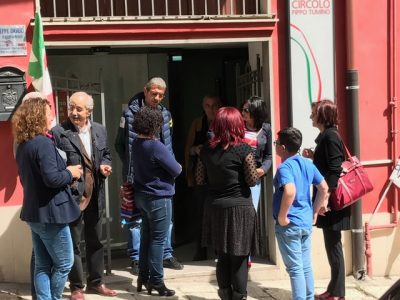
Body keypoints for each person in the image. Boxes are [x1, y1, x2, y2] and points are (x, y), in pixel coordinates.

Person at [12, 96, 82, 300]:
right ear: (37, 117)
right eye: (48, 114)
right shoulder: (42, 143)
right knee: (64, 264)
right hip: (52, 214)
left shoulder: (24, 144)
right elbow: (52, 178)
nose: (51, 117)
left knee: (43, 264)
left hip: (35, 213)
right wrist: (71, 173)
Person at [115, 77, 183, 275]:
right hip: (136, 175)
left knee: (166, 219)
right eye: (154, 93)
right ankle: (136, 258)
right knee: (135, 219)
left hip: (162, 178)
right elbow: (119, 144)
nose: (157, 98)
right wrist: (133, 163)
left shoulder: (166, 114)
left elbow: (167, 143)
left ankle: (167, 254)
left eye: (161, 95)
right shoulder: (129, 114)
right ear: (145, 91)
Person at [52, 91, 115, 300]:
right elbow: (56, 165)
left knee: (96, 240)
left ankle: (96, 283)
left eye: (79, 109)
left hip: (95, 194)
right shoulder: (59, 132)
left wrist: (106, 165)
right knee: (74, 242)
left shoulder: (99, 130)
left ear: (89, 111)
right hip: (72, 197)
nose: (74, 112)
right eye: (71, 107)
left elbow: (105, 154)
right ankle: (77, 286)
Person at [195, 107, 259, 300]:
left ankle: (225, 295)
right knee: (239, 258)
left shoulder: (206, 150)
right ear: (237, 125)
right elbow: (252, 180)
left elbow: (199, 179)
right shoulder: (243, 149)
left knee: (222, 256)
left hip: (216, 207)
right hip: (240, 208)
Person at [273, 127, 329, 300]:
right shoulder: (307, 163)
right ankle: (309, 297)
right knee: (305, 266)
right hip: (305, 223)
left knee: (295, 269)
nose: (274, 146)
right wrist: (314, 213)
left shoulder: (285, 167)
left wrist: (282, 217)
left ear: (282, 147)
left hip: (289, 225)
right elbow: (324, 188)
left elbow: (289, 191)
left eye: (276, 143)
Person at [132, 106, 182, 297]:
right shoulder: (156, 146)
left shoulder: (136, 144)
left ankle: (143, 277)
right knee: (158, 240)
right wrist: (178, 166)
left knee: (146, 236)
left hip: (142, 196)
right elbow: (176, 170)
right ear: (155, 125)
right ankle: (157, 281)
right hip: (159, 198)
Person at [303, 100, 348, 300]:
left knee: (334, 245)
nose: (311, 116)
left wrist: (325, 199)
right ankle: (333, 289)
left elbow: (335, 169)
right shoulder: (325, 136)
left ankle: (338, 293)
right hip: (328, 199)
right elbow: (328, 164)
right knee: (331, 244)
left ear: (322, 115)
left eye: (314, 113)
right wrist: (314, 157)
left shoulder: (330, 136)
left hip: (333, 201)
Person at [184, 95, 221, 261]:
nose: (211, 109)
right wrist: (196, 150)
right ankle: (200, 250)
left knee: (220, 215)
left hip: (220, 176)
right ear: (203, 106)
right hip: (201, 176)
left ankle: (221, 250)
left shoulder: (224, 121)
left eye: (214, 106)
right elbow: (188, 150)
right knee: (200, 214)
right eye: (207, 105)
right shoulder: (197, 124)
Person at [241, 96, 272, 210]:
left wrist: (263, 169)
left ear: (256, 112)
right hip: (237, 175)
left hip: (254, 176)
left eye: (246, 110)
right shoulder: (238, 127)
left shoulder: (266, 129)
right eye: (242, 109)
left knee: (252, 210)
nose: (242, 112)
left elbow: (269, 155)